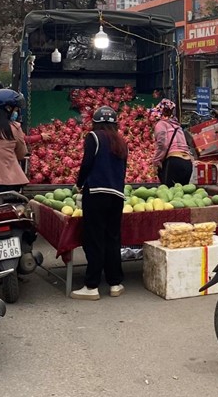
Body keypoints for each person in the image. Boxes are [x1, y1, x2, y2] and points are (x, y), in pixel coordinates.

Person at [71, 106, 128, 301]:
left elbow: (87, 164)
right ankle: (115, 283)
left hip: (96, 193)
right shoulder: (122, 142)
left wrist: (79, 184)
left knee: (94, 239)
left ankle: (92, 285)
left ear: (95, 122)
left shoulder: (93, 138)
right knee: (112, 238)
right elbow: (124, 169)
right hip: (117, 195)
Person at [151, 99, 193, 186]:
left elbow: (163, 145)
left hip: (174, 162)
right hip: (188, 164)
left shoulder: (161, 124)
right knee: (182, 194)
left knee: (168, 193)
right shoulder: (177, 126)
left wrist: (156, 161)